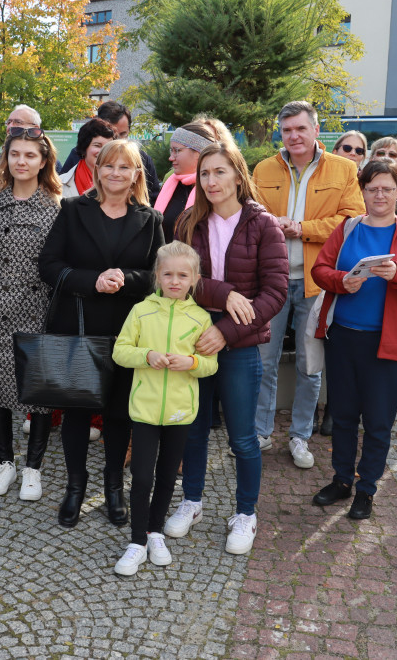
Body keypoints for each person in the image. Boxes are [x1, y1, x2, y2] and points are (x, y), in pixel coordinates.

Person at [165, 143, 287, 554]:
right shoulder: (188, 222)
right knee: (193, 432)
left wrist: (226, 332)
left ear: (238, 175)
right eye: (204, 174)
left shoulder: (263, 225)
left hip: (238, 347)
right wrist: (225, 292)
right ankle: (192, 502)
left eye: (220, 172)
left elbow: (275, 292)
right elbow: (176, 278)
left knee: (243, 439)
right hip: (194, 343)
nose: (211, 181)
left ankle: (246, 514)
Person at [38, 139, 164, 528]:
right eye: (108, 166)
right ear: (97, 170)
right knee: (76, 410)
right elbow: (49, 264)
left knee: (118, 413)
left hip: (129, 331)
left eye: (124, 168)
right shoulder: (74, 209)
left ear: (136, 175)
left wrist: (124, 279)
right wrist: (93, 281)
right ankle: (76, 486)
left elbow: (158, 277)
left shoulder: (150, 218)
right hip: (78, 324)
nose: (115, 174)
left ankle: (113, 487)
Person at [310, 161, 397, 519]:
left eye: (387, 188)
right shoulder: (348, 227)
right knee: (344, 415)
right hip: (343, 338)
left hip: (387, 342)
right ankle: (342, 479)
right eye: (372, 188)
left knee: (379, 421)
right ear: (361, 191)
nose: (379, 195)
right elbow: (320, 269)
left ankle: (366, 489)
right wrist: (340, 281)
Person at [251, 101, 364, 468]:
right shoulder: (265, 168)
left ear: (316, 130)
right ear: (280, 133)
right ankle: (260, 431)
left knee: (309, 364)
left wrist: (302, 228)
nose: (294, 136)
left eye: (301, 128)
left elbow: (352, 220)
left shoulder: (344, 169)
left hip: (316, 283)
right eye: (287, 130)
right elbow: (252, 214)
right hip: (272, 281)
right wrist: (273, 224)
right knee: (264, 360)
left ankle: (300, 436)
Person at [0, 126, 62, 501]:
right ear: (6, 160)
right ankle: (4, 462)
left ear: (43, 161)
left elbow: (62, 262)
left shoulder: (57, 206)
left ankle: (33, 467)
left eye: (30, 155)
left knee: (37, 393)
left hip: (40, 310)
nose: (22, 161)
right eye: (15, 154)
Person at [111, 241, 218, 576]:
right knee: (142, 477)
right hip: (144, 409)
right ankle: (136, 542)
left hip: (180, 412)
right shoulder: (141, 311)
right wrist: (147, 356)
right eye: (168, 274)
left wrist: (191, 361)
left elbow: (210, 365)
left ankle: (156, 533)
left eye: (182, 275)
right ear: (157, 275)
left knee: (168, 476)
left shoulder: (200, 318)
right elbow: (119, 351)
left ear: (194, 278)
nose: (174, 280)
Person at [59, 100, 161, 198]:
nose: (118, 142)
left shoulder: (141, 159)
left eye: (123, 134)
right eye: (113, 135)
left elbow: (153, 199)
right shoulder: (78, 155)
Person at [153, 123, 216, 242]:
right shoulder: (171, 184)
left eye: (177, 151)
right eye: (171, 151)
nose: (171, 158)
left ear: (199, 152)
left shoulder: (213, 189)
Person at [59, 118, 114, 198]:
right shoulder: (59, 185)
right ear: (84, 148)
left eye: (108, 147)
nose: (103, 151)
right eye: (97, 145)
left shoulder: (120, 181)